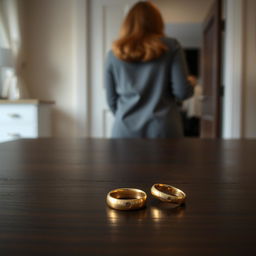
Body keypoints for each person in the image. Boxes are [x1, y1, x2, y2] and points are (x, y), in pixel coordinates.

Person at [104, 1, 193, 138]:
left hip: (124, 131)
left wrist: (127, 117)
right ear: (158, 22)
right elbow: (182, 93)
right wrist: (192, 81)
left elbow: (111, 100)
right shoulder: (171, 47)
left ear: (127, 23)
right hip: (163, 130)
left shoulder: (113, 54)